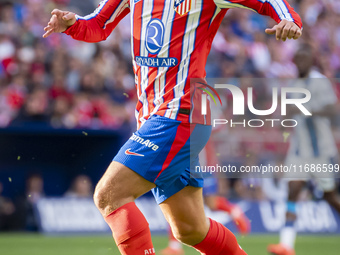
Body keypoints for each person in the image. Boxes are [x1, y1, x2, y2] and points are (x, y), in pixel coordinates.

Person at [43, 1, 302, 254]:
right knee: (190, 229)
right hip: (158, 117)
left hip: (180, 112)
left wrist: (289, 19)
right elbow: (98, 24)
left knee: (109, 195)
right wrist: (72, 24)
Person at [267, 44, 340, 255]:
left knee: (328, 196)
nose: (300, 63)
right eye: (297, 60)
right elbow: (289, 115)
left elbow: (331, 108)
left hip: (320, 151)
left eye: (304, 59)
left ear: (311, 61)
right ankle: (286, 245)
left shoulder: (319, 81)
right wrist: (285, 118)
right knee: (293, 190)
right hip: (299, 150)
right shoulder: (292, 84)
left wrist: (303, 108)